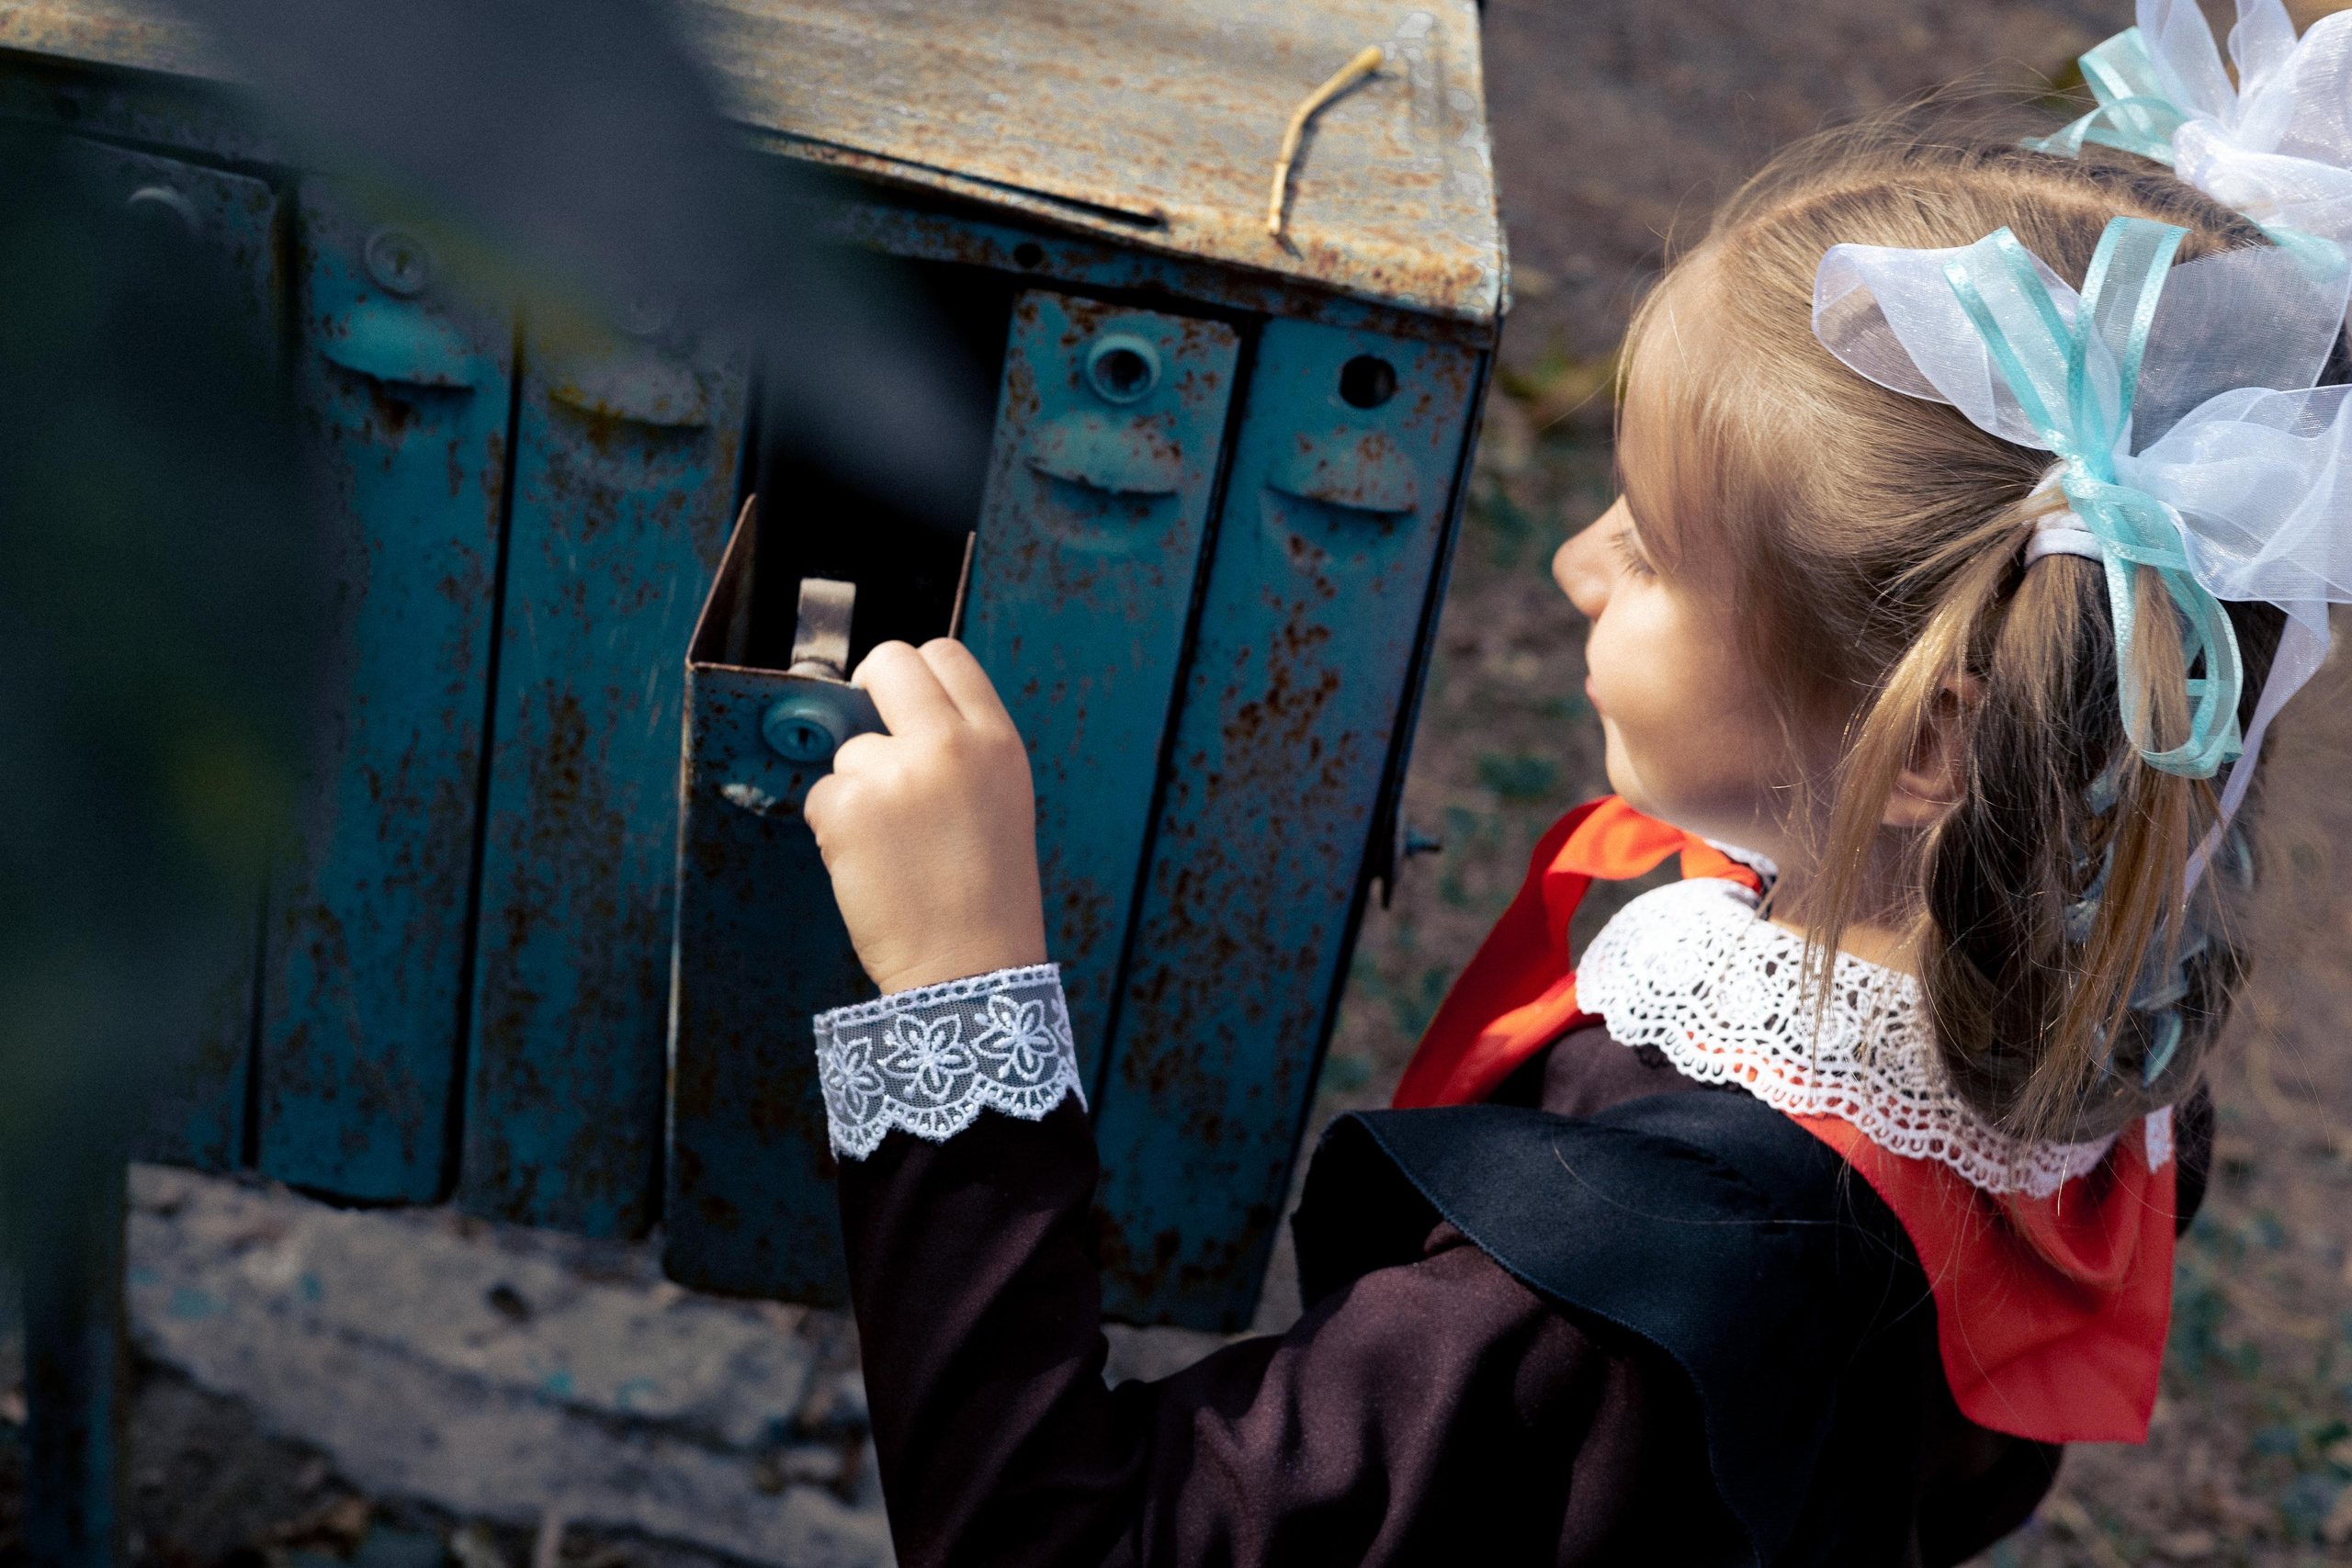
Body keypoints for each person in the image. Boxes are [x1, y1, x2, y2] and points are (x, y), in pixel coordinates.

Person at [797, 4, 2352, 1561]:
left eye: (1653, 549)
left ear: (1932, 746)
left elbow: (1055, 1544)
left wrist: (958, 995)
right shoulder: (2092, 1051)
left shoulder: (1609, 1299)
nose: (1570, 564)